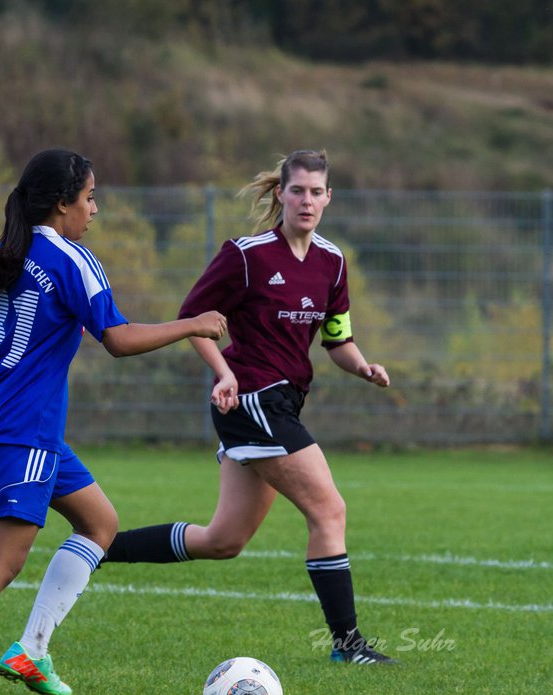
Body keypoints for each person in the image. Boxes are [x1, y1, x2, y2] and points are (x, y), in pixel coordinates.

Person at [0, 148, 228, 695]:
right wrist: (191, 323)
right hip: (26, 426)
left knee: (99, 524)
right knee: (2, 561)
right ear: (63, 203)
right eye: (90, 197)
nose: (95, 208)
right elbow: (115, 338)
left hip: (7, 417)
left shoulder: (2, 255)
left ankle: (31, 649)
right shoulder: (71, 259)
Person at [101, 149, 398, 665]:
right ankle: (349, 647)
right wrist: (225, 371)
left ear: (330, 198)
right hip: (252, 399)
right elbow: (192, 317)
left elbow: (338, 340)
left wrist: (364, 366)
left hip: (283, 403)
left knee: (224, 540)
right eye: (297, 190)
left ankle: (96, 550)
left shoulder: (332, 262)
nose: (306, 200)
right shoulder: (247, 254)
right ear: (280, 193)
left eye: (316, 191)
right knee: (329, 510)